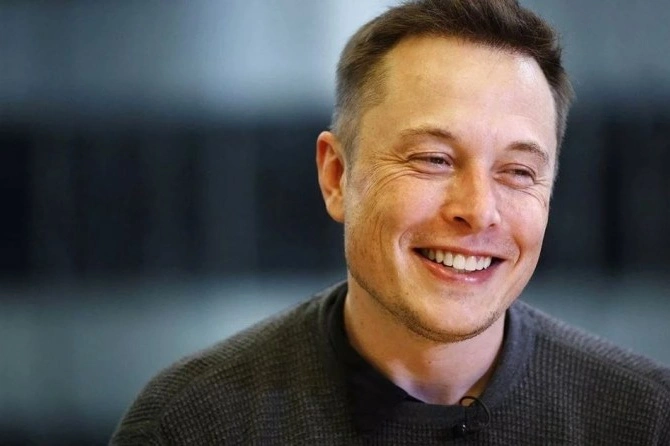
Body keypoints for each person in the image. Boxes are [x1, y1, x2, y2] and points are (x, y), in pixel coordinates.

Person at [111, 1, 670, 444]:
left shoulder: (645, 420)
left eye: (518, 171)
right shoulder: (191, 423)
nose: (479, 209)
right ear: (336, 176)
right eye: (434, 159)